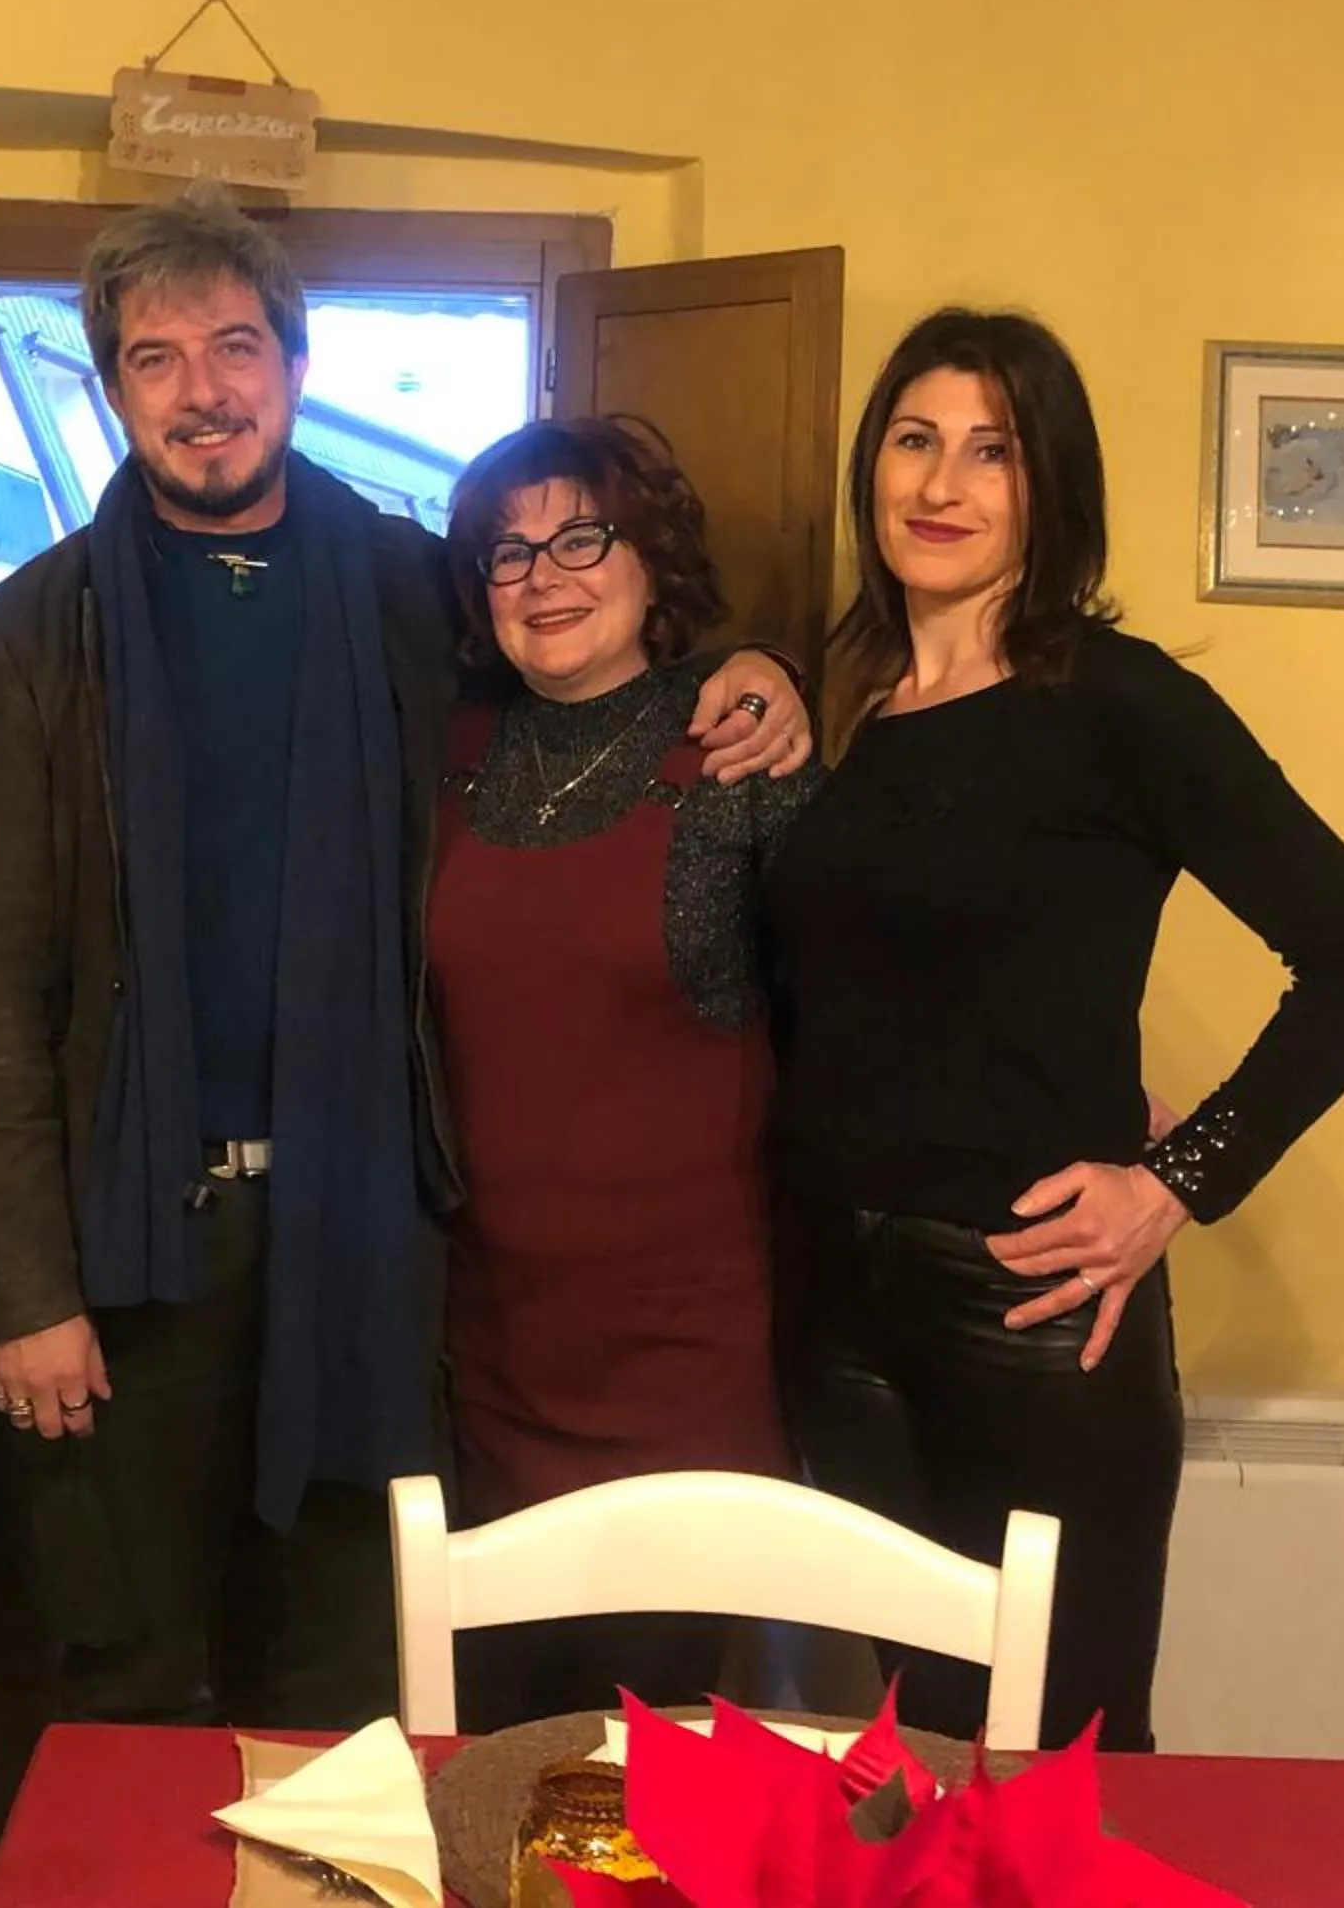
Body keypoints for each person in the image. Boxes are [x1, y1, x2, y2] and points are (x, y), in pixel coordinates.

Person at [0, 183, 813, 1729]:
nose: (205, 390)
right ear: (110, 384)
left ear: (296, 360)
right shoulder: (31, 633)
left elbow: (585, 677)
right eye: (155, 358)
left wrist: (752, 670)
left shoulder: (413, 590)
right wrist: (21, 1291)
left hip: (371, 1238)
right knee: (120, 1674)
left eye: (235, 345)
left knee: (350, 1671)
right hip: (129, 1246)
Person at [763, 307, 1344, 1753]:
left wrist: (1177, 1180)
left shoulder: (1123, 703)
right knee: (914, 1756)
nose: (941, 485)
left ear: (1049, 487)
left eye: (991, 452)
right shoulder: (855, 698)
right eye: (915, 440)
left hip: (1028, 1312)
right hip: (834, 1303)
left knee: (1061, 1769)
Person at [427, 415, 823, 1728]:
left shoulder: (742, 755)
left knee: (638, 1781)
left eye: (581, 536)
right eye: (507, 550)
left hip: (684, 1369)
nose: (543, 574)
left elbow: (866, 1005)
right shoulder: (449, 754)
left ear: (655, 558)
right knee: (488, 1769)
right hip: (485, 1360)